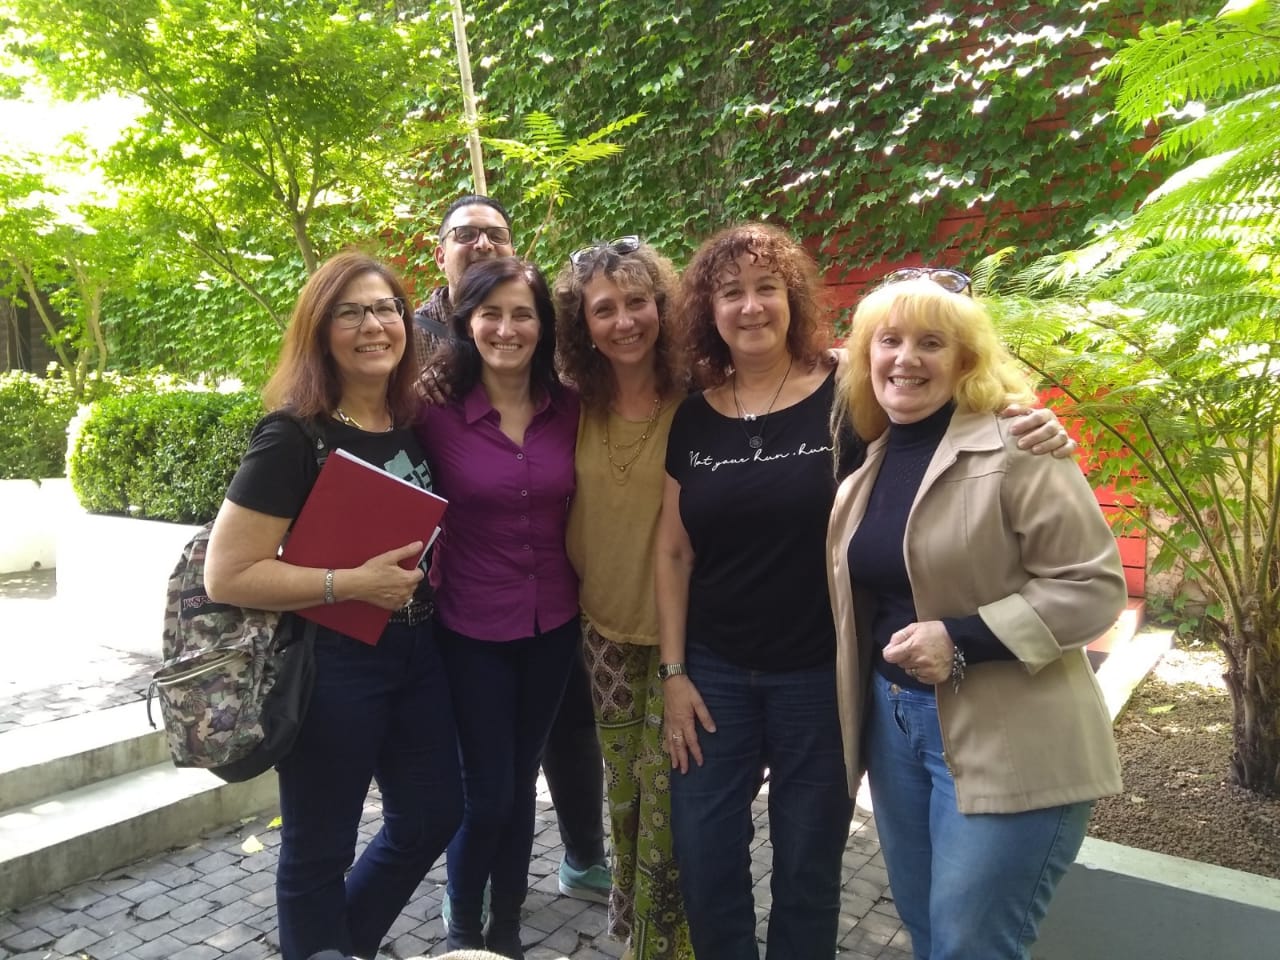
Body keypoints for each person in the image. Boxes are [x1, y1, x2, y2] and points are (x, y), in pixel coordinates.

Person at [654, 226, 1074, 960]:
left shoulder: (850, 395)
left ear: (792, 299)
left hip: (821, 674)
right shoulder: (693, 415)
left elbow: (951, 398)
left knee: (808, 867)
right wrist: (673, 672)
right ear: (707, 310)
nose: (751, 307)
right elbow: (673, 549)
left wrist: (1027, 414)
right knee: (705, 856)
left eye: (766, 289)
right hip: (714, 673)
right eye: (731, 293)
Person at [826, 273, 1127, 960]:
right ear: (866, 355)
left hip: (1009, 728)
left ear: (966, 359)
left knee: (971, 945)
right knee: (928, 931)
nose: (906, 359)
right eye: (889, 341)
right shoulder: (872, 455)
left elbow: (1093, 586)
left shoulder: (1018, 445)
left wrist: (962, 638)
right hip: (894, 727)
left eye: (931, 343)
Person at [204, 250, 462, 960]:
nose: (373, 326)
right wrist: (347, 583)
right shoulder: (294, 435)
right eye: (350, 313)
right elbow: (228, 574)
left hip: (417, 650)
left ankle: (340, 946)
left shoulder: (412, 420)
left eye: (385, 309)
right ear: (320, 331)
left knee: (434, 812)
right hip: (333, 660)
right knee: (319, 848)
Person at [418, 196, 611, 908]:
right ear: (467, 323)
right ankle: (465, 919)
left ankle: (505, 925)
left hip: (554, 621)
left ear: (543, 325)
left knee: (526, 776)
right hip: (470, 624)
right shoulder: (431, 408)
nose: (507, 328)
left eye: (522, 315)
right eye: (491, 316)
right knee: (488, 788)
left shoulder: (571, 408)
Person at [552, 237, 693, 959]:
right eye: (603, 309)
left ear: (663, 306)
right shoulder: (571, 403)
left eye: (638, 302)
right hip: (603, 631)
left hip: (686, 636)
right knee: (626, 801)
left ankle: (672, 945)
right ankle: (638, 935)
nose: (624, 321)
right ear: (583, 324)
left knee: (674, 806)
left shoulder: (702, 395)